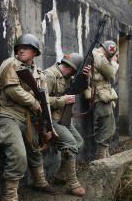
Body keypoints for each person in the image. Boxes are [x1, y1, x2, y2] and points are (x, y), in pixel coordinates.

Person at [0, 34, 59, 200]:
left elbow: (45, 103)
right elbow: (12, 90)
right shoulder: (10, 64)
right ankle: (10, 197)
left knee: (35, 150)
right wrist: (35, 104)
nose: (21, 50)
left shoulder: (39, 74)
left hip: (29, 119)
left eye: (26, 47)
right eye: (19, 47)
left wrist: (48, 127)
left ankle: (40, 182)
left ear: (35, 52)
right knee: (18, 156)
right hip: (9, 115)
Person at [44, 53, 90, 197]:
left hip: (62, 118)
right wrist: (63, 100)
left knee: (79, 142)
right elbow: (40, 101)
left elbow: (79, 89)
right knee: (70, 145)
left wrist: (84, 78)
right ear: (72, 69)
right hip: (49, 120)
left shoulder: (68, 77)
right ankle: (72, 184)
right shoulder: (49, 76)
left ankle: (62, 176)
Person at [89, 40, 119, 159]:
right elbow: (110, 74)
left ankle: (105, 154)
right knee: (106, 125)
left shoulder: (95, 55)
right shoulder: (99, 57)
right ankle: (102, 156)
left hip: (102, 94)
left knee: (109, 123)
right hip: (100, 94)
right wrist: (114, 63)